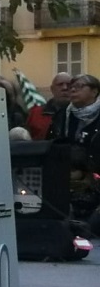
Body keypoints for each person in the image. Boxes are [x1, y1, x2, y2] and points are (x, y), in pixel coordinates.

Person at [48, 74, 100, 223]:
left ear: (94, 91)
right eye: (72, 87)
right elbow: (51, 144)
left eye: (79, 86)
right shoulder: (62, 114)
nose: (72, 90)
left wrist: (89, 175)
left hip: (95, 182)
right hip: (65, 180)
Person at [28, 73, 72, 140]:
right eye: (60, 84)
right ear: (52, 89)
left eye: (69, 85)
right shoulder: (36, 113)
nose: (65, 88)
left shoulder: (82, 114)